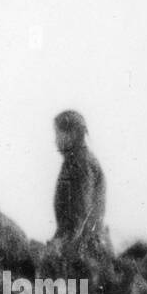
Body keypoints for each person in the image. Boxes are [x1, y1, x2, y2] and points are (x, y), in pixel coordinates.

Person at [52, 110, 108, 256]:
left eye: (58, 134)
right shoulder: (76, 161)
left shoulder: (80, 162)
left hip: (83, 251)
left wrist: (62, 247)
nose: (55, 140)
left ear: (71, 135)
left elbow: (80, 215)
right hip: (80, 245)